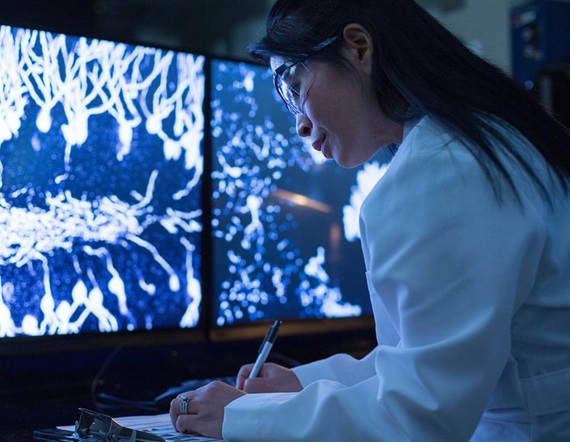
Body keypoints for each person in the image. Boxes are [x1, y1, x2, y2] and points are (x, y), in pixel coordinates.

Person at [169, 0, 570, 440]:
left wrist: (240, 418)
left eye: (295, 86)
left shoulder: (439, 174)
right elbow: (432, 357)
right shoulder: (485, 141)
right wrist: (301, 386)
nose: (300, 126)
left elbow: (417, 419)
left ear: (358, 48)